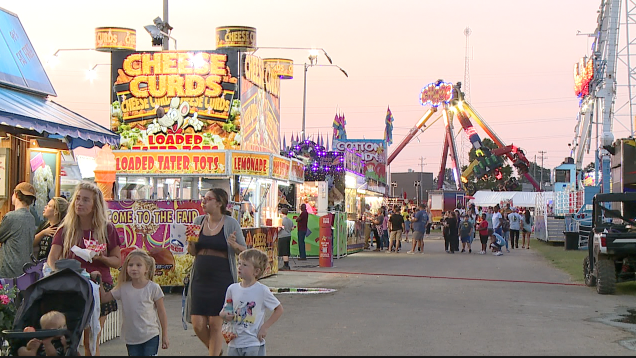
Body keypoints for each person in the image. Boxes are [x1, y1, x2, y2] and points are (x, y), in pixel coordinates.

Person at [47, 181, 122, 356]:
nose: (80, 203)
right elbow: (52, 258)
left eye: (86, 200)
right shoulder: (65, 229)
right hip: (71, 284)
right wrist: (58, 271)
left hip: (99, 286)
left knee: (91, 340)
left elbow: (117, 261)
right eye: (78, 199)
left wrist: (101, 257)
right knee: (70, 338)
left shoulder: (107, 229)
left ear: (95, 205)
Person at [186, 188, 246, 356]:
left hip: (222, 278)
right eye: (203, 199)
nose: (203, 202)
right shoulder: (198, 221)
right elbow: (192, 251)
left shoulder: (230, 223)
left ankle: (214, 354)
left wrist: (234, 245)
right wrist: (190, 242)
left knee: (215, 323)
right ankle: (217, 351)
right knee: (197, 323)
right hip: (200, 277)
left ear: (219, 202)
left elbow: (244, 250)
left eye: (208, 199)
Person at [96, 250, 168, 356]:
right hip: (131, 338)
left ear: (146, 269)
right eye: (130, 265)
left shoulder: (153, 288)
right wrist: (99, 281)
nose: (134, 268)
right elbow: (105, 298)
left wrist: (165, 335)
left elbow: (161, 312)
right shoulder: (122, 287)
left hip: (150, 336)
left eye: (139, 265)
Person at [220, 249, 283, 356]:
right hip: (234, 341)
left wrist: (265, 327)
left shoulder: (262, 290)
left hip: (253, 342)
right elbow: (225, 310)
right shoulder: (232, 289)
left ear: (256, 271)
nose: (239, 267)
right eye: (239, 263)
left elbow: (279, 309)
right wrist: (225, 315)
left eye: (245, 265)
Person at [0, 182, 36, 278]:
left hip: (8, 271)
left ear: (16, 194)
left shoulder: (11, 217)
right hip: (24, 271)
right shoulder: (31, 218)